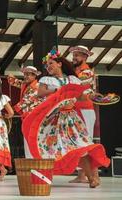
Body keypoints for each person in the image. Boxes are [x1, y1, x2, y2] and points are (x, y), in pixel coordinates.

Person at [22, 48, 110, 188]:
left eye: (51, 63)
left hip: (71, 119)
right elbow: (40, 92)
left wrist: (91, 95)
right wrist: (58, 91)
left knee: (82, 147)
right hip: (53, 119)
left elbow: (80, 96)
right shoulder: (46, 79)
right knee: (49, 149)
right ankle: (44, 178)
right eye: (46, 65)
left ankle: (92, 178)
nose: (48, 66)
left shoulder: (72, 79)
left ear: (59, 64)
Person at [68, 45, 98, 183]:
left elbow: (76, 88)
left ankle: (94, 175)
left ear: (85, 57)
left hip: (85, 110)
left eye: (78, 55)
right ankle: (82, 175)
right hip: (77, 110)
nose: (74, 57)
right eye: (74, 55)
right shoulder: (75, 70)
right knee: (78, 142)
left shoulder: (86, 72)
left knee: (87, 142)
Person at [8, 66, 43, 158]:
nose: (25, 76)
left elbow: (27, 101)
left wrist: (12, 109)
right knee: (28, 138)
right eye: (25, 74)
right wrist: (12, 79)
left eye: (28, 75)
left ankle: (34, 157)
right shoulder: (25, 84)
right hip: (27, 116)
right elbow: (17, 83)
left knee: (33, 137)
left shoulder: (37, 86)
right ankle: (30, 157)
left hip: (34, 116)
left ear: (34, 76)